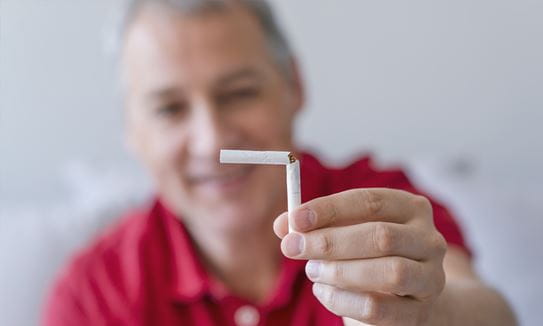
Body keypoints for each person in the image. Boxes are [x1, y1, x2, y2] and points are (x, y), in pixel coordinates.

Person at [43, 0, 516, 325]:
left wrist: (430, 313)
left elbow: (489, 311)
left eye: (240, 93)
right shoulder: (96, 293)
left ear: (293, 86)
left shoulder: (378, 203)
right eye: (170, 109)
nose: (211, 142)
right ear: (131, 131)